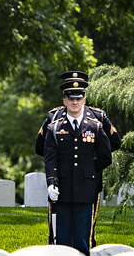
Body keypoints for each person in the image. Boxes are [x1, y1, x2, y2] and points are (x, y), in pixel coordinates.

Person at [35, 70, 120, 244]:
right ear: (64, 98)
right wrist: (61, 166)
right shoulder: (54, 118)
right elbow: (41, 148)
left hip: (89, 181)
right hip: (62, 181)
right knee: (59, 232)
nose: (75, 101)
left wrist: (88, 164)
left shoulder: (97, 117)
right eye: (70, 96)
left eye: (78, 96)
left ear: (84, 95)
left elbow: (114, 143)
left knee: (86, 233)